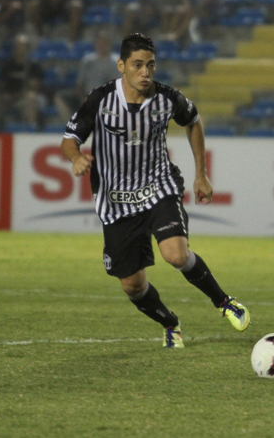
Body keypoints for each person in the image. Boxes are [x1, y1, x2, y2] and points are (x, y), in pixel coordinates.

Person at [60, 33, 250, 348]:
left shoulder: (168, 98)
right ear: (121, 66)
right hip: (116, 203)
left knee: (176, 254)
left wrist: (201, 174)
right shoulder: (101, 99)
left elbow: (193, 121)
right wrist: (76, 157)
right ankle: (170, 323)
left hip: (158, 188)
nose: (145, 72)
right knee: (132, 286)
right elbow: (69, 139)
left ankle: (224, 302)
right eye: (137, 65)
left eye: (150, 65)